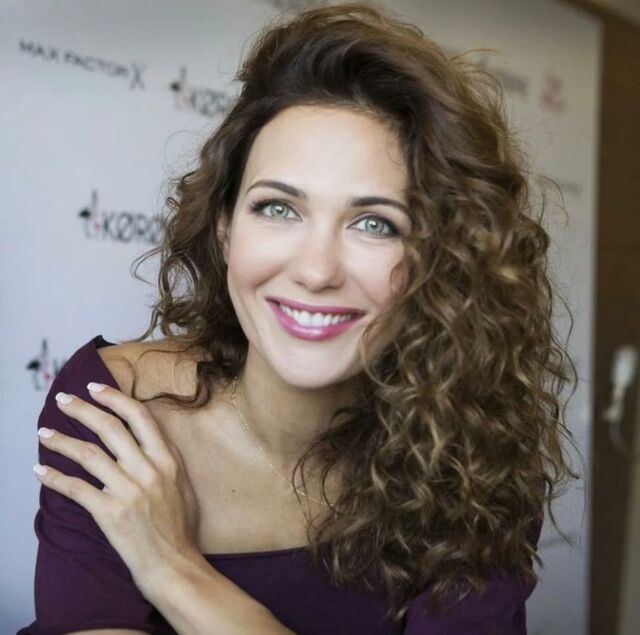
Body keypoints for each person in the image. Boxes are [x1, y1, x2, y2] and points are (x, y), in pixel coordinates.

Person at [19, 2, 580, 633]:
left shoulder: (477, 457)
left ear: (438, 259)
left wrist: (175, 571)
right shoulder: (113, 407)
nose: (316, 271)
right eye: (278, 209)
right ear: (225, 229)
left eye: (375, 223)